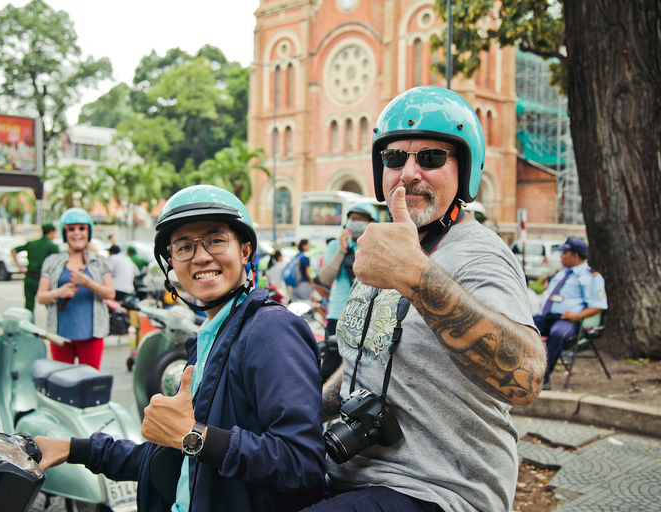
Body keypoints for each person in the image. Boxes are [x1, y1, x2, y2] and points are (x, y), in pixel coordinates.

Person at [308, 86, 546, 512]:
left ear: (465, 169)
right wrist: (295, 407)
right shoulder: (387, 248)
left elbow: (525, 377)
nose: (409, 172)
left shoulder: (478, 252)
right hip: (348, 473)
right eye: (394, 158)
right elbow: (368, 358)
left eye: (432, 158)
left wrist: (415, 276)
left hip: (438, 489)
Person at [34, 185, 325, 512]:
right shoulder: (211, 334)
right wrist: (74, 449)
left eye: (216, 240)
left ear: (245, 251)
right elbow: (176, 453)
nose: (201, 256)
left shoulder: (270, 330)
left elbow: (302, 464)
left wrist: (194, 436)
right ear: (171, 263)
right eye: (184, 246)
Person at [36, 208, 115, 370]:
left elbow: (110, 293)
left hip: (92, 335)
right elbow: (40, 297)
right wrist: (58, 292)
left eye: (82, 228)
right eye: (71, 228)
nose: (76, 233)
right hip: (60, 336)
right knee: (62, 382)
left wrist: (89, 283)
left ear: (89, 231)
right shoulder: (52, 261)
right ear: (64, 233)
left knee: (89, 382)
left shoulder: (99, 261)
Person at [533, 237, 607, 390]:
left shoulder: (591, 277)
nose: (561, 256)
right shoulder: (561, 273)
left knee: (557, 334)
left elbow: (599, 305)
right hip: (547, 317)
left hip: (568, 320)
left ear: (575, 255)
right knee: (522, 326)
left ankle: (543, 378)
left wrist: (577, 316)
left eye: (564, 253)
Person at [317, 202, 378, 337]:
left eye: (360, 219)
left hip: (366, 314)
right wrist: (342, 250)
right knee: (332, 356)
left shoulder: (377, 247)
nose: (355, 222)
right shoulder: (335, 245)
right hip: (338, 312)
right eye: (352, 218)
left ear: (371, 223)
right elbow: (324, 278)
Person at [11, 222, 59, 316]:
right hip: (42, 280)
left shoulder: (32, 243)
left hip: (28, 279)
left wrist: (20, 267)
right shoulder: (52, 246)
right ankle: (53, 328)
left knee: (28, 308)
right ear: (51, 232)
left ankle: (28, 329)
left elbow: (13, 250)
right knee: (50, 307)